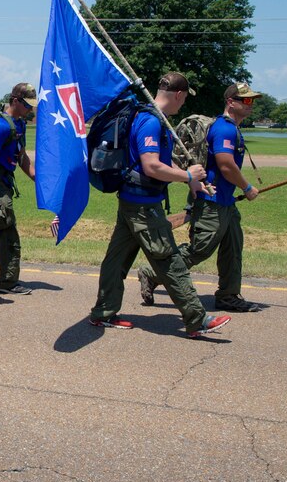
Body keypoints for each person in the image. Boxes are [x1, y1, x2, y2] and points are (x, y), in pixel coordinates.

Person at [91, 72, 232, 338]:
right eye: (184, 99)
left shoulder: (150, 117)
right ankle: (196, 318)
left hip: (132, 203)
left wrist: (188, 180)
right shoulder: (150, 122)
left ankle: (103, 313)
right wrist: (188, 175)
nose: (183, 105)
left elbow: (163, 162)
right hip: (144, 207)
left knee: (116, 260)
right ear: (178, 95)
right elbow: (151, 166)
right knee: (169, 260)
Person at [138, 82, 265, 313]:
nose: (250, 105)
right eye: (245, 100)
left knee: (232, 248)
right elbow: (225, 165)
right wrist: (247, 188)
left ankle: (228, 295)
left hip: (225, 203)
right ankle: (152, 274)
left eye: (252, 100)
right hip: (211, 202)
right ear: (230, 102)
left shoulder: (233, 128)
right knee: (200, 249)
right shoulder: (224, 129)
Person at [0, 83, 38, 295]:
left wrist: (38, 180)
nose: (30, 109)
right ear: (14, 101)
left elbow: (21, 157)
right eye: (27, 105)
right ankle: (8, 282)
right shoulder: (2, 126)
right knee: (8, 230)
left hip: (5, 183)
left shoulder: (19, 125)